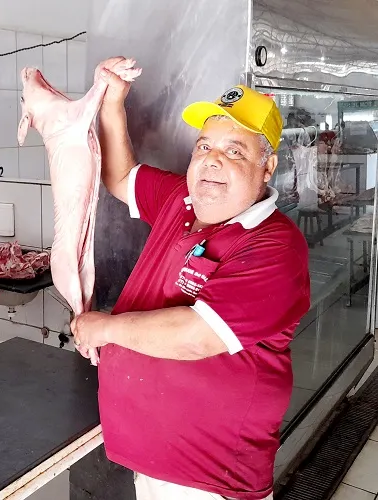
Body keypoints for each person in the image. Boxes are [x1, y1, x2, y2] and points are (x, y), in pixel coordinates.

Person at [70, 57, 311, 500]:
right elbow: (121, 177)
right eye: (204, 146)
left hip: (211, 483)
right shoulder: (181, 199)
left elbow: (198, 335)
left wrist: (103, 327)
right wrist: (112, 105)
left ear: (268, 166)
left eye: (234, 151)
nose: (211, 160)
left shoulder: (275, 245)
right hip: (157, 466)